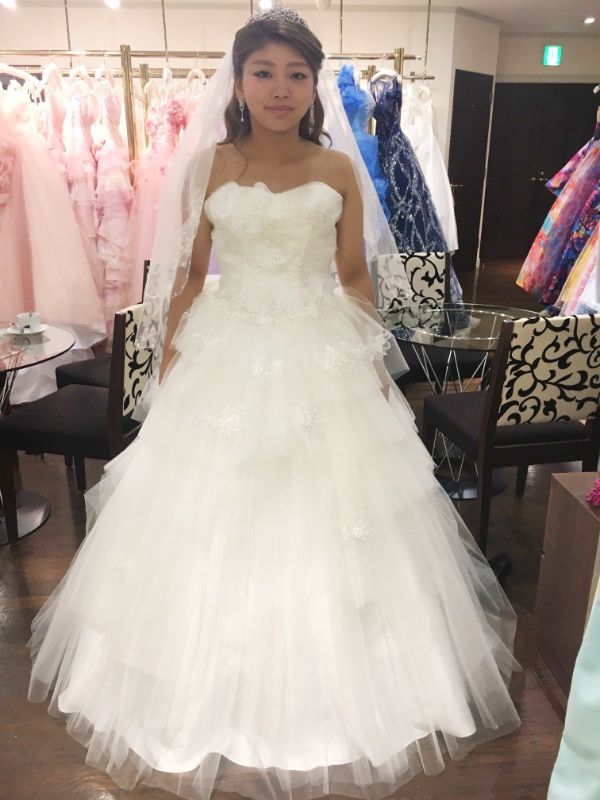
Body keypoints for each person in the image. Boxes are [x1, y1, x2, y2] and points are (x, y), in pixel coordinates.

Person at [28, 8, 520, 800]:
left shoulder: (337, 168)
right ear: (240, 80)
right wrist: (169, 362)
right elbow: (188, 276)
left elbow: (353, 277)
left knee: (342, 511)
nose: (280, 88)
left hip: (320, 348)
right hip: (227, 349)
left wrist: (370, 361)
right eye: (264, 72)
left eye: (296, 74)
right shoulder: (209, 165)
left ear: (314, 84)